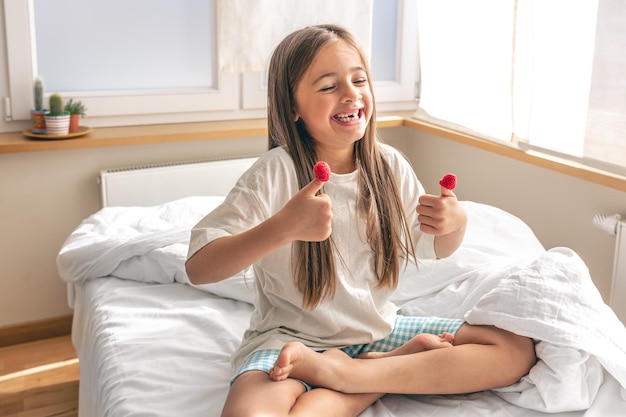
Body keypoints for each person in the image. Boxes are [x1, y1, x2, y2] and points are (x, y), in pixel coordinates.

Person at [185, 24, 536, 417]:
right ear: (293, 108)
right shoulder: (273, 173)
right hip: (286, 341)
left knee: (514, 350)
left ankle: (353, 376)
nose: (351, 93)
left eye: (359, 80)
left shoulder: (390, 166)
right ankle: (378, 373)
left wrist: (454, 224)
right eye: (328, 86)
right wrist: (283, 226)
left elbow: (432, 246)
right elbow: (200, 267)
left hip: (376, 331)